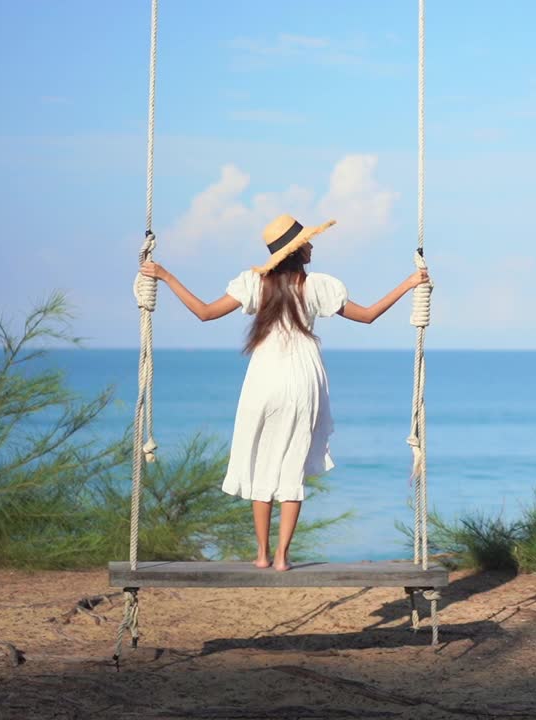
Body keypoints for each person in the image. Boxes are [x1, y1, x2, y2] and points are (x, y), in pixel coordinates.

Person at [139, 213, 430, 571]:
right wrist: (409, 283)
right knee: (290, 467)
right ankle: (281, 557)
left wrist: (166, 277)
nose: (311, 245)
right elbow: (368, 316)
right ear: (297, 252)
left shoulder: (253, 284)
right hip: (302, 377)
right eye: (307, 242)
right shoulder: (318, 286)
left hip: (263, 376)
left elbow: (204, 312)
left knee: (261, 461)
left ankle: (261, 554)